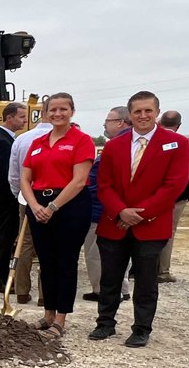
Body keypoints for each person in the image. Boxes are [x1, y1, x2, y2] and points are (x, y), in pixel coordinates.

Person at [90, 91, 189, 348]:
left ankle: (141, 328)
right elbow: (105, 184)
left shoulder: (177, 144)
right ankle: (105, 323)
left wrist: (139, 214)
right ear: (130, 115)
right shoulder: (113, 146)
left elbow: (173, 186)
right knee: (109, 278)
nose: (143, 116)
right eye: (138, 111)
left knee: (146, 282)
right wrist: (121, 211)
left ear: (157, 112)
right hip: (114, 223)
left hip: (151, 226)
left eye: (148, 111)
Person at [19, 92, 96, 337]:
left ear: (71, 111)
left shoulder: (81, 140)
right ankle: (48, 314)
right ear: (45, 113)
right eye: (52, 110)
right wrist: (34, 205)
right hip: (39, 205)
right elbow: (25, 178)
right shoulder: (38, 142)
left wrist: (53, 207)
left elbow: (79, 180)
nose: (57, 114)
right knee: (46, 262)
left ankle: (60, 320)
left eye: (63, 109)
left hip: (69, 206)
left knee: (65, 262)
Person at [82, 106, 132, 301]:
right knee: (120, 254)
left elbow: (98, 183)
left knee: (96, 253)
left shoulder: (116, 146)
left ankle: (102, 291)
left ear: (120, 122)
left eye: (108, 121)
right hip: (120, 209)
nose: (105, 125)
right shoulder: (132, 143)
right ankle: (123, 288)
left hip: (100, 210)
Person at [8, 97, 53, 304]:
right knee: (49, 244)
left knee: (25, 243)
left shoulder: (22, 139)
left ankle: (22, 291)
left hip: (27, 197)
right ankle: (46, 294)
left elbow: (14, 175)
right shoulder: (63, 138)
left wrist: (20, 194)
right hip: (56, 199)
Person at [0, 101, 29, 293]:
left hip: (3, 198)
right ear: (9, 118)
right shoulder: (2, 142)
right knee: (3, 239)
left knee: (4, 238)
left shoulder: (1, 137)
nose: (25, 120)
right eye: (21, 117)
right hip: (6, 198)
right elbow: (4, 174)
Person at [157, 110, 189, 283]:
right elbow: (187, 172)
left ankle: (140, 268)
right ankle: (162, 271)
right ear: (179, 125)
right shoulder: (184, 142)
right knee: (168, 232)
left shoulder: (153, 139)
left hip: (153, 195)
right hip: (175, 197)